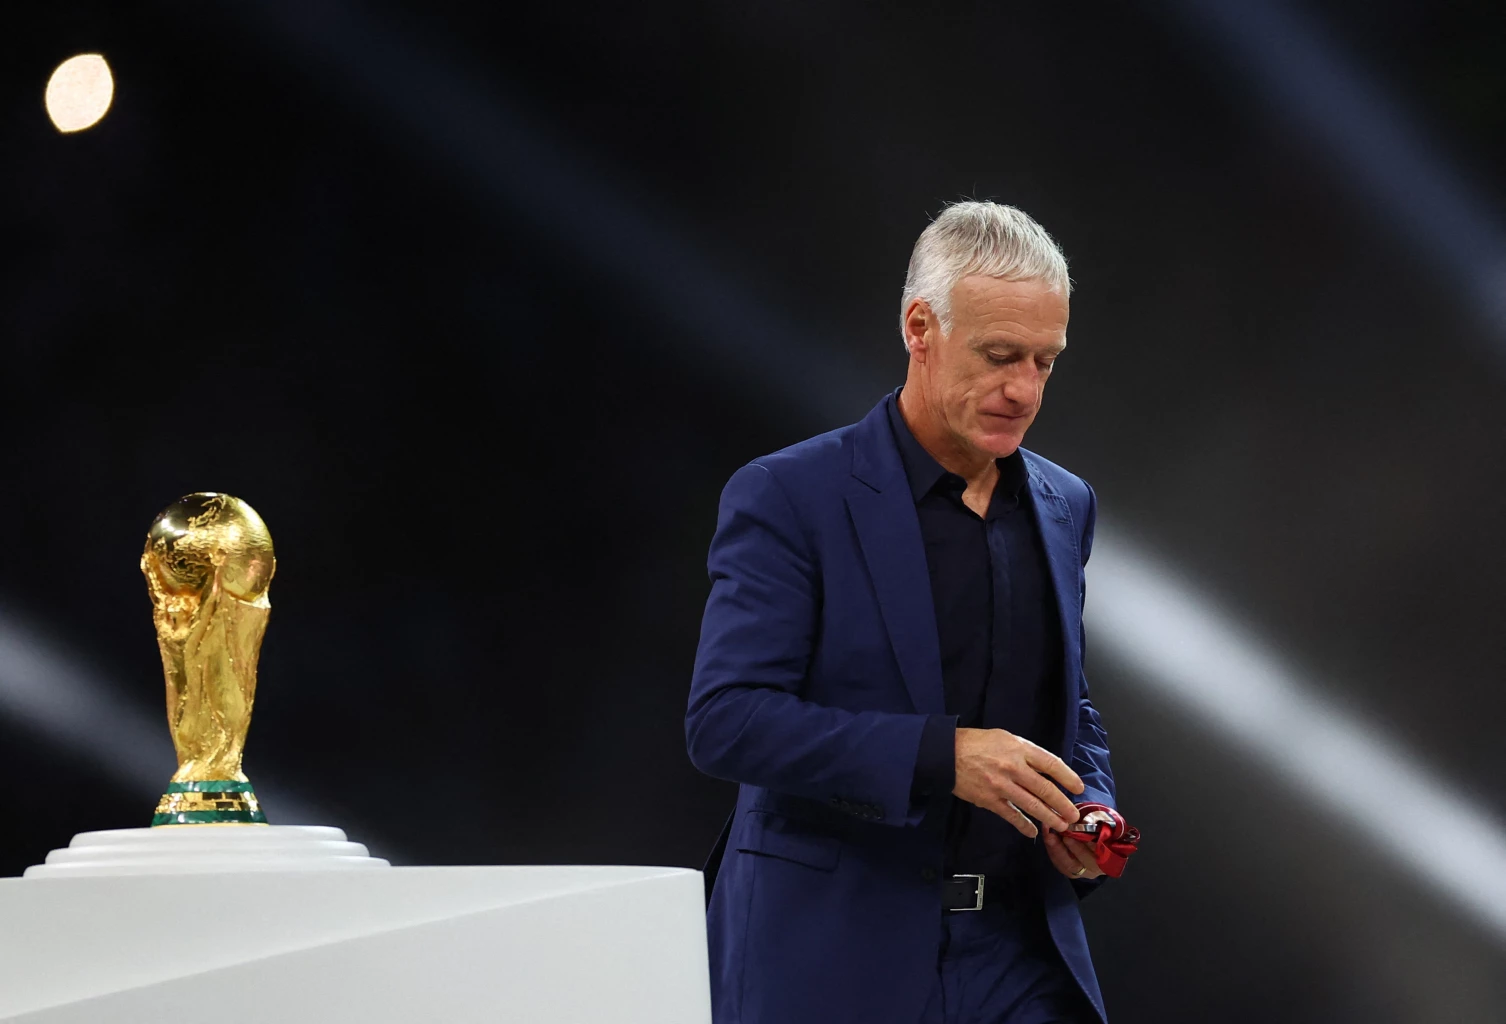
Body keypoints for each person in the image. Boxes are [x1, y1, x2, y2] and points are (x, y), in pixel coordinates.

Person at [685, 201, 1121, 1024]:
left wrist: (1090, 804)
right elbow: (727, 720)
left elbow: (1070, 701)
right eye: (999, 356)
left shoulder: (1067, 504)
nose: (1024, 389)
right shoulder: (788, 495)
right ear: (920, 327)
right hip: (832, 954)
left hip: (1018, 954)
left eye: (1046, 361)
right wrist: (940, 756)